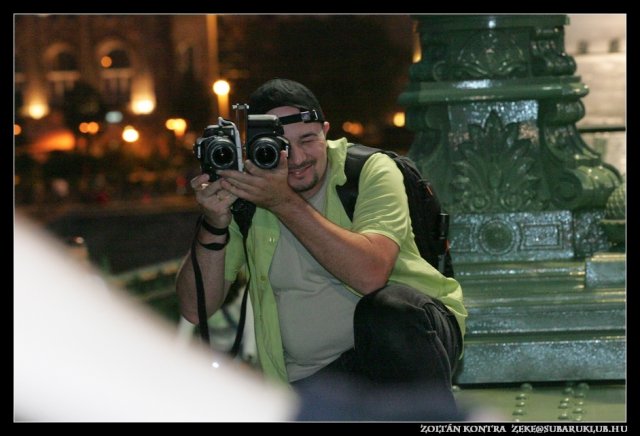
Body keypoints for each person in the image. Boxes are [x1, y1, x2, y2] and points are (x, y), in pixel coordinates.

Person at [176, 78, 467, 410]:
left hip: (412, 342)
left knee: (389, 311)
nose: (297, 157)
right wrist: (214, 222)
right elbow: (194, 309)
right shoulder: (248, 198)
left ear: (325, 130)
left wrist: (282, 202)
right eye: (280, 146)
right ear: (253, 147)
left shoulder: (369, 170)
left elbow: (370, 274)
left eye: (308, 139)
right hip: (312, 378)